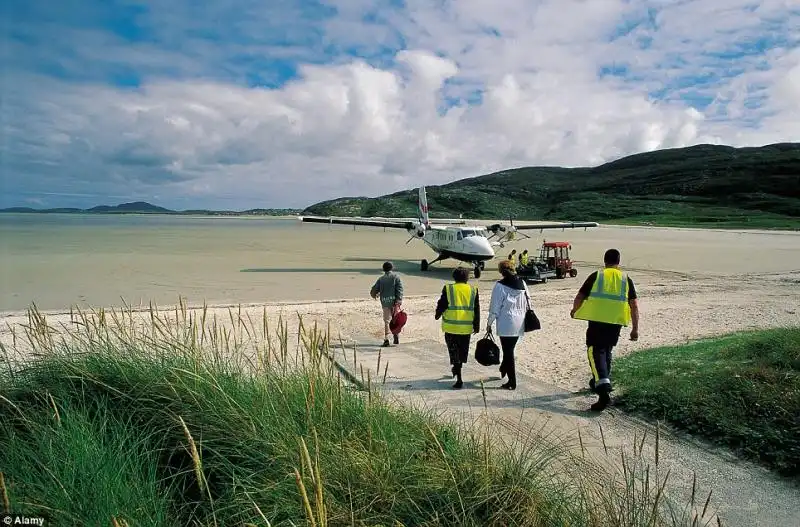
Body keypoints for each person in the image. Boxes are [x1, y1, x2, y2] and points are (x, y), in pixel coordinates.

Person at [570, 248, 639, 411]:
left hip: (597, 321)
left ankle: (603, 393)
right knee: (606, 351)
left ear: (604, 260)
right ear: (618, 261)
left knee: (595, 352)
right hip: (616, 322)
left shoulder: (597, 276)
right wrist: (635, 329)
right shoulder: (625, 279)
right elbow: (634, 305)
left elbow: (580, 296)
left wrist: (574, 310)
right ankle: (599, 381)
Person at [486, 259, 531, 390]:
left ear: (501, 271)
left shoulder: (500, 286)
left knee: (508, 351)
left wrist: (489, 323)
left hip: (506, 322)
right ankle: (504, 368)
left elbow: (495, 307)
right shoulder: (522, 283)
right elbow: (529, 301)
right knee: (510, 349)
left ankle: (512, 381)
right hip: (520, 321)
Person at [435, 267, 480, 389]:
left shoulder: (449, 288)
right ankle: (457, 369)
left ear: (454, 277)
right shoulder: (473, 290)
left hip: (451, 327)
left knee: (454, 351)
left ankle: (458, 376)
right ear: (467, 278)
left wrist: (437, 314)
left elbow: (442, 304)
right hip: (466, 328)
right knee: (462, 352)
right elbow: (476, 309)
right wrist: (477, 326)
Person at [370, 261, 404, 347]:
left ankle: (386, 338)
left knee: (387, 321)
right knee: (395, 319)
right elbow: (400, 289)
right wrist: (398, 300)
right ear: (392, 268)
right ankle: (396, 335)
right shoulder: (396, 277)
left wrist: (374, 295)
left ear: (383, 269)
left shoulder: (381, 279)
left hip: (385, 302)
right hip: (395, 303)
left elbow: (374, 290)